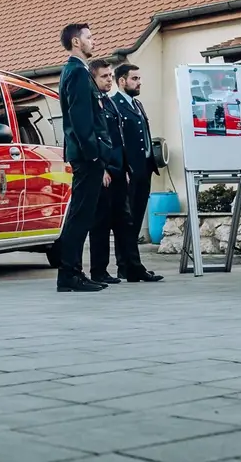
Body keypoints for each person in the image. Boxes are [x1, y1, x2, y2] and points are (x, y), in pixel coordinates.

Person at [55, 23, 109, 293]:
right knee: (80, 215)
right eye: (89, 37)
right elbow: (80, 119)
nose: (93, 41)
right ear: (76, 42)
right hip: (87, 156)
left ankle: (73, 272)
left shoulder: (76, 72)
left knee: (82, 214)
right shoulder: (76, 73)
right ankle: (69, 274)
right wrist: (93, 154)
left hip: (86, 154)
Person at [87, 59, 140, 284]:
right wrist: (101, 168)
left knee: (125, 222)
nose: (109, 80)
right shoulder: (92, 103)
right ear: (93, 79)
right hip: (105, 171)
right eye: (104, 76)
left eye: (110, 76)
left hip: (119, 170)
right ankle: (99, 271)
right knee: (100, 224)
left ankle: (131, 268)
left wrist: (125, 167)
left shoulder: (109, 103)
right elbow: (93, 137)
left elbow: (118, 140)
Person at [111, 63, 164, 282]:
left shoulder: (137, 104)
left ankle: (128, 266)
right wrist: (122, 167)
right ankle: (130, 265)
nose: (139, 82)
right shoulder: (114, 105)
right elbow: (116, 140)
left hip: (144, 168)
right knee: (127, 220)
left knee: (136, 216)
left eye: (139, 78)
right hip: (129, 170)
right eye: (134, 78)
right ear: (122, 81)